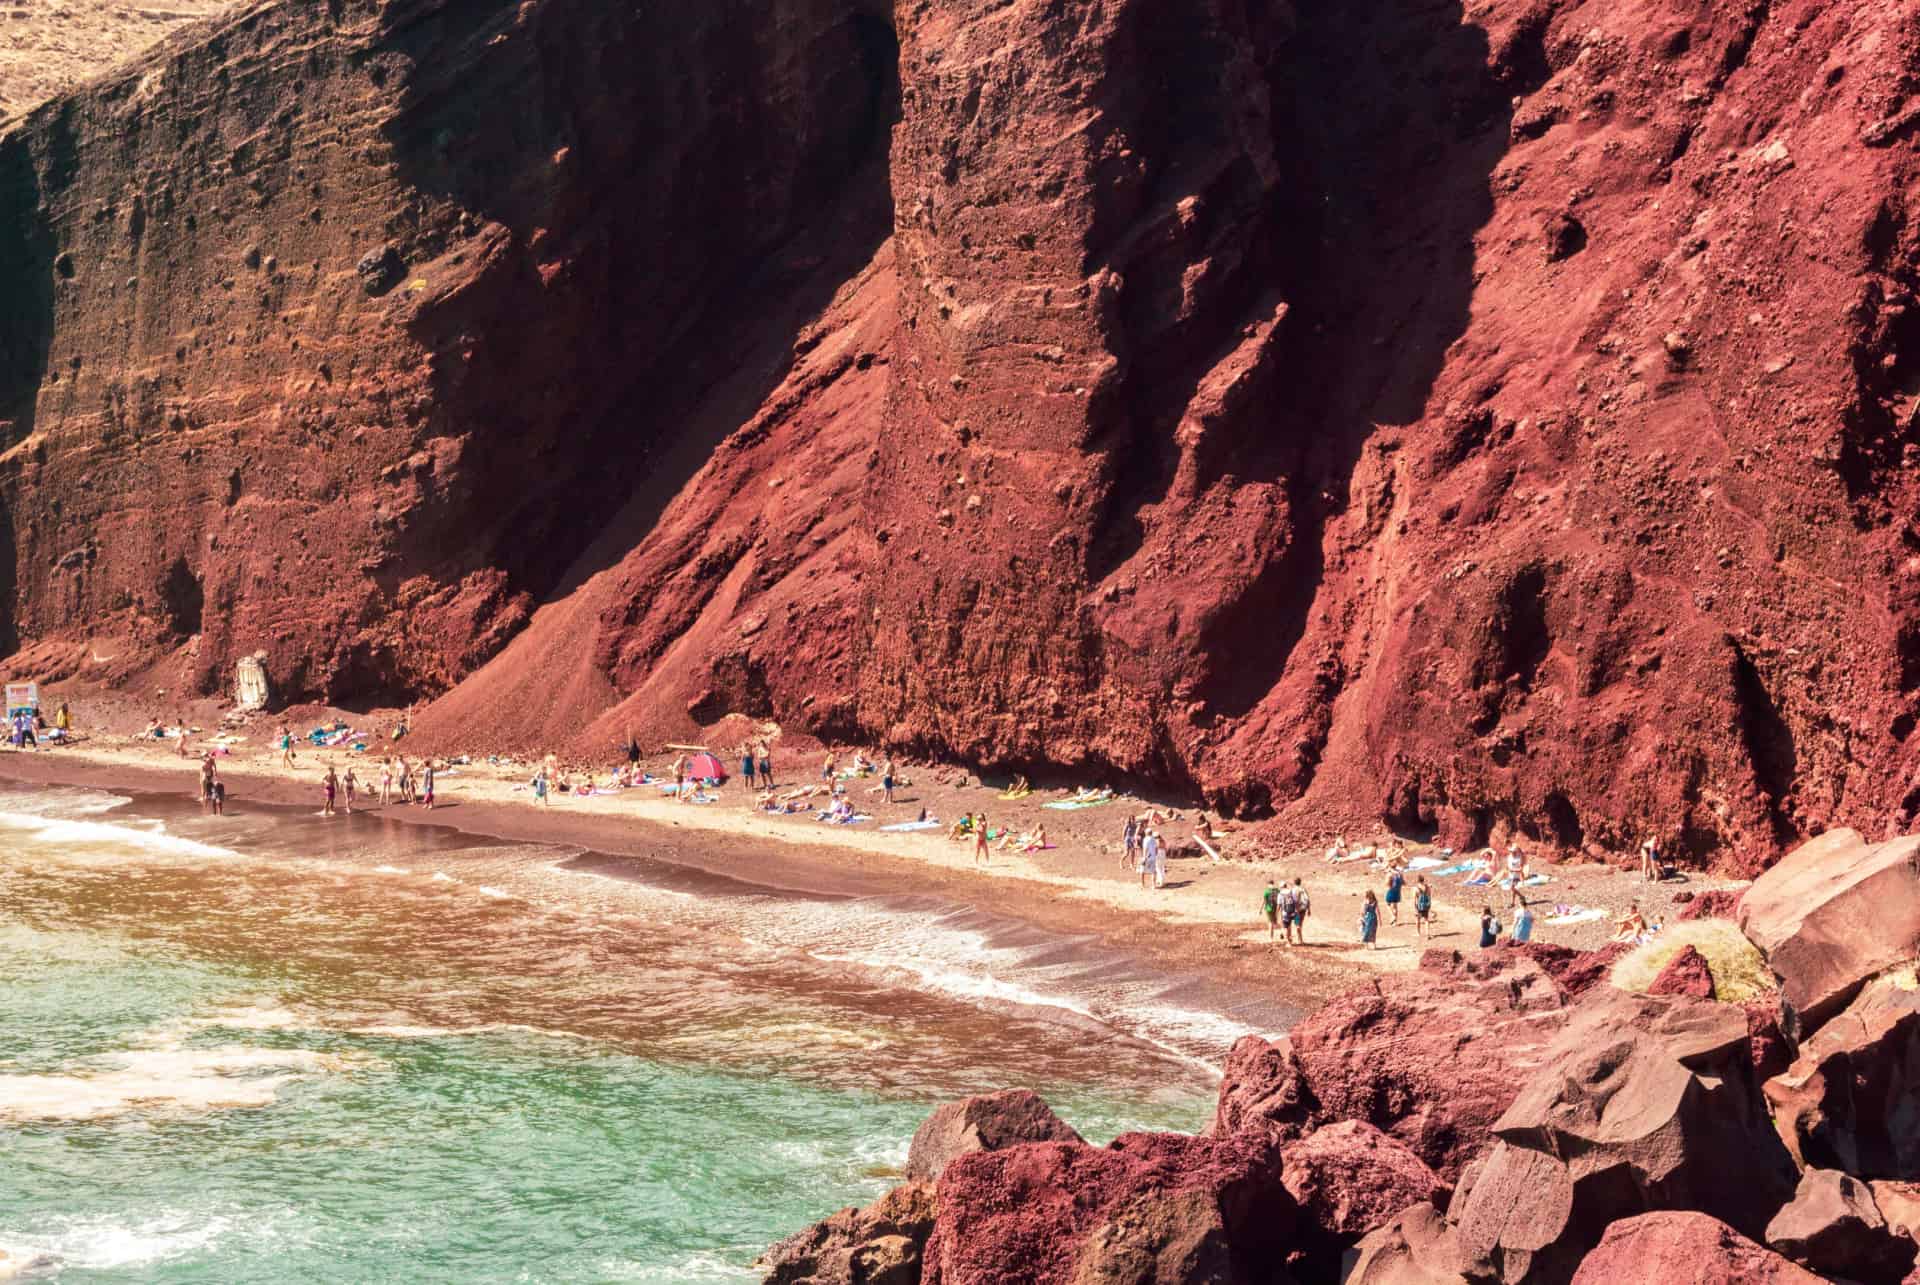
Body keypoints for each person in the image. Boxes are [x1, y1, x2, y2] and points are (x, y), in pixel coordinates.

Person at [1413, 875, 1433, 940]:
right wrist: (1429, 905)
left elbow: (1414, 899)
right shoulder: (1427, 887)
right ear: (1423, 879)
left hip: (1419, 906)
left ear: (1417, 880)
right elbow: (1429, 896)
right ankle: (1427, 934)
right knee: (1426, 920)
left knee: (1417, 919)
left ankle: (1418, 933)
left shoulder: (1416, 888)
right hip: (1426, 905)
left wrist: (1415, 908)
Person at [1292, 878, 1311, 943]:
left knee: (1297, 924)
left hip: (1296, 909)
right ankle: (1301, 940)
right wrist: (1309, 910)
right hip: (1303, 908)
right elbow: (1308, 900)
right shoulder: (1303, 889)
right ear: (1300, 882)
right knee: (1300, 924)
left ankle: (1299, 940)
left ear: (1294, 883)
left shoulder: (1293, 890)